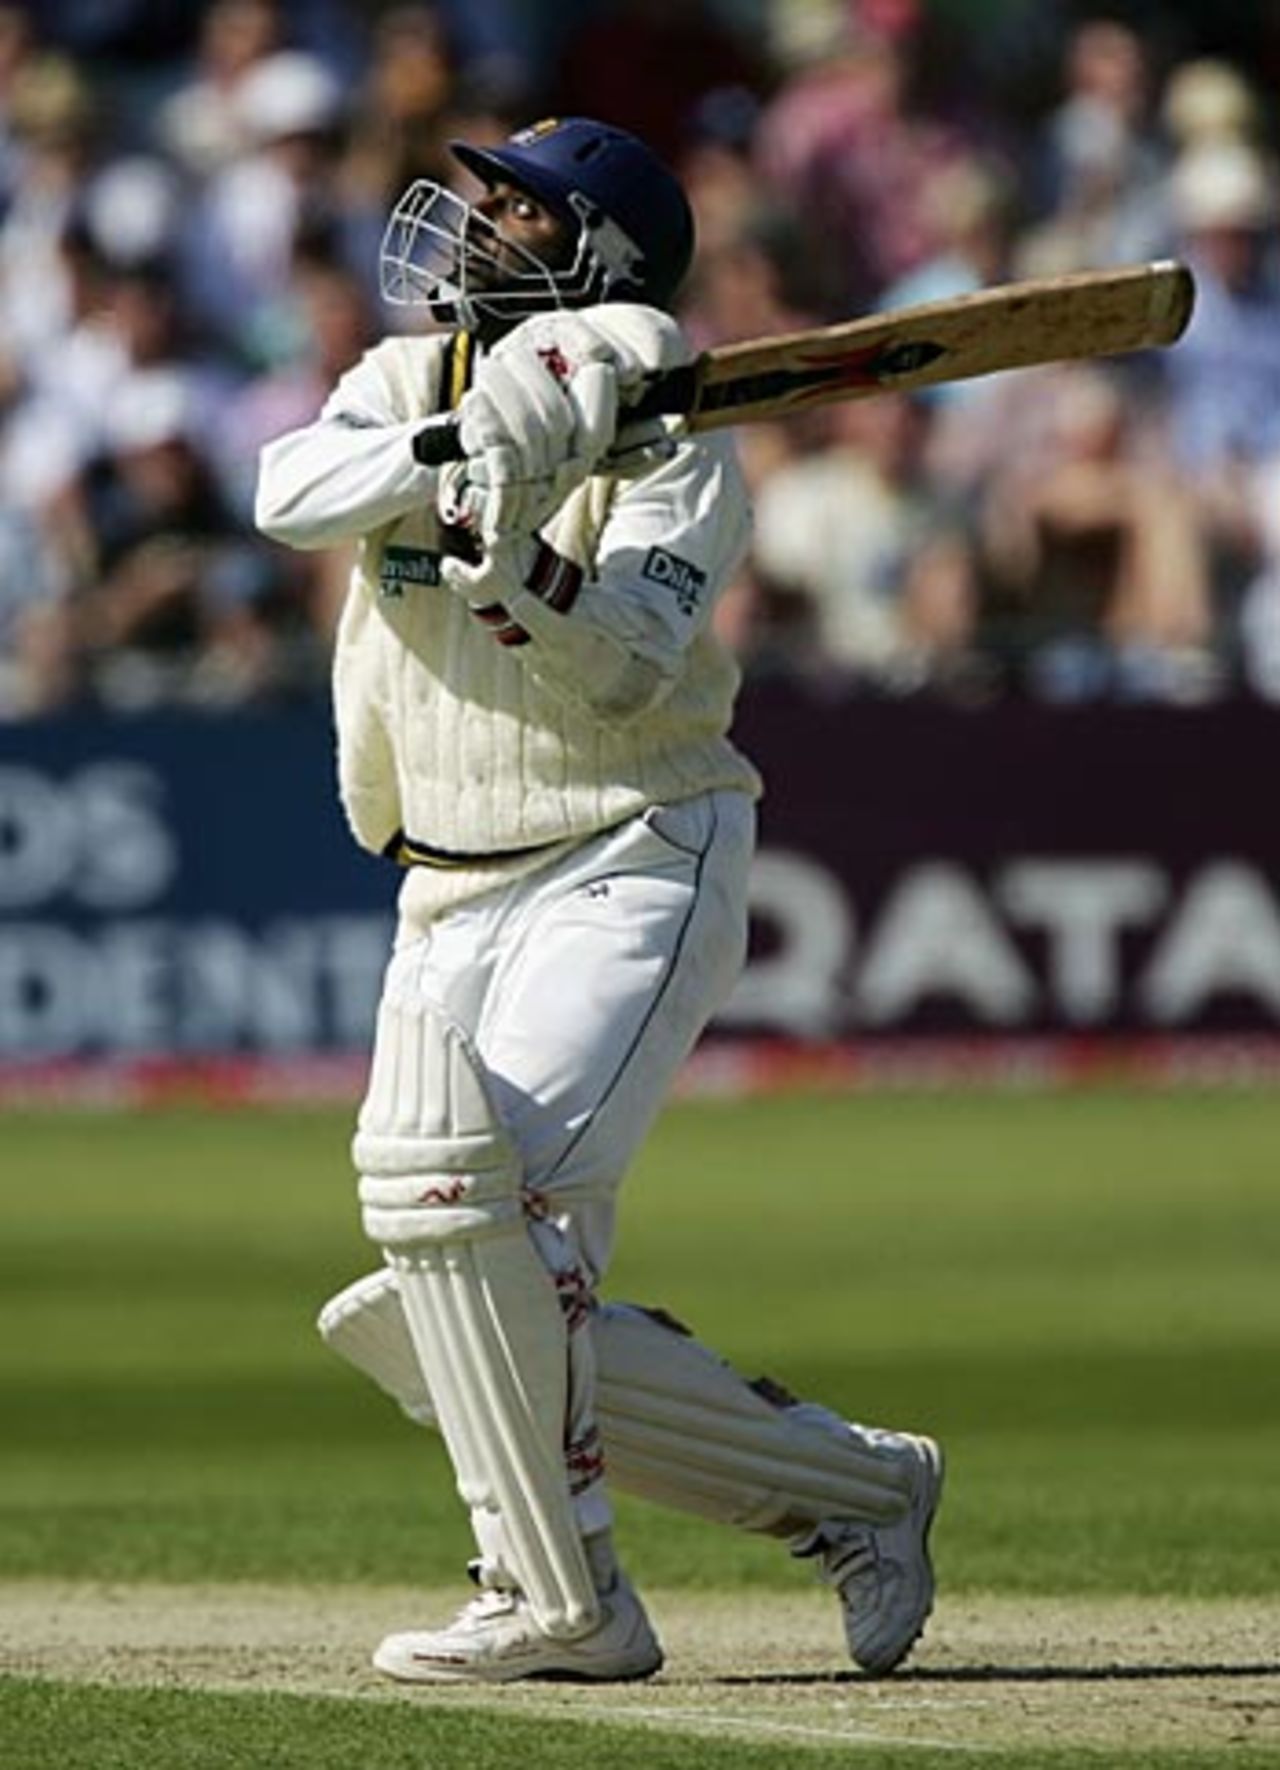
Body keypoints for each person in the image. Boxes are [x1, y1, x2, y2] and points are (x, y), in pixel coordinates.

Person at [255, 114, 942, 1686]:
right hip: (443, 885)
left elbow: (635, 658)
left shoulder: (677, 438)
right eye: (481, 193)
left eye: (512, 205)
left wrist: (518, 576)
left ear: (596, 251)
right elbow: (290, 493)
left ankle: (558, 1602)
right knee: (426, 1298)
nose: (471, 218)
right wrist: (459, 459)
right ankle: (862, 1488)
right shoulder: (395, 382)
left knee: (455, 1209)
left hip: (630, 846)